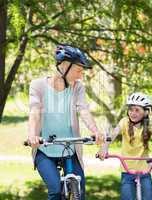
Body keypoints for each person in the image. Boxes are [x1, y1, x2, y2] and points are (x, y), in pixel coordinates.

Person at [27, 44, 104, 200]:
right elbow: (34, 112)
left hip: (70, 148)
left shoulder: (77, 87)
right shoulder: (38, 86)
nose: (81, 75)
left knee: (80, 190)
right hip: (45, 149)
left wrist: (95, 131)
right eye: (78, 71)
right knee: (55, 189)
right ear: (64, 66)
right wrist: (32, 135)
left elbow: (83, 110)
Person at [97, 92, 152, 200]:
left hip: (145, 170)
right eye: (131, 109)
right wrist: (104, 148)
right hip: (127, 171)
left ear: (146, 112)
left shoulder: (149, 125)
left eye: (137, 110)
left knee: (148, 197)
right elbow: (111, 136)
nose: (133, 113)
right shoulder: (124, 122)